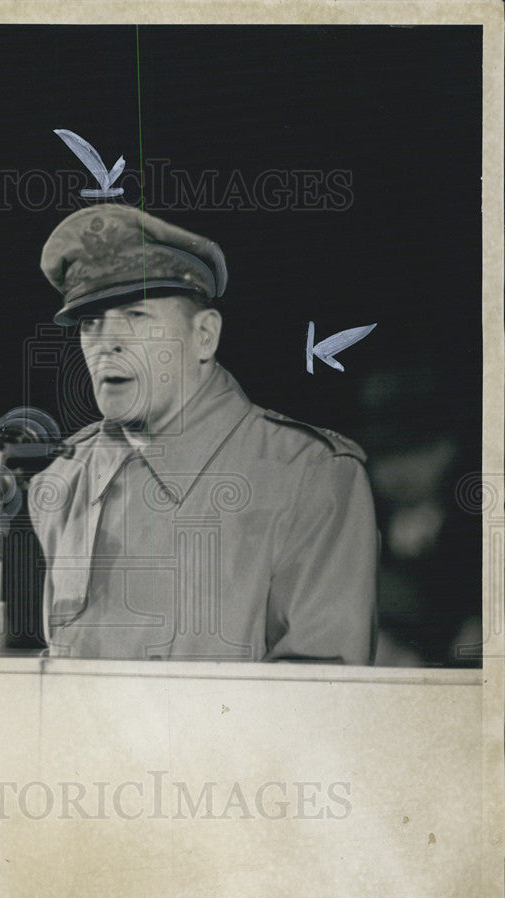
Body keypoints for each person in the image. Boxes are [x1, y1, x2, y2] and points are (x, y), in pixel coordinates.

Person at [29, 205, 378, 663]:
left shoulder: (309, 474)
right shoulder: (60, 478)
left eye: (135, 315)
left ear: (205, 336)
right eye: (90, 323)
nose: (106, 341)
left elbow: (319, 699)